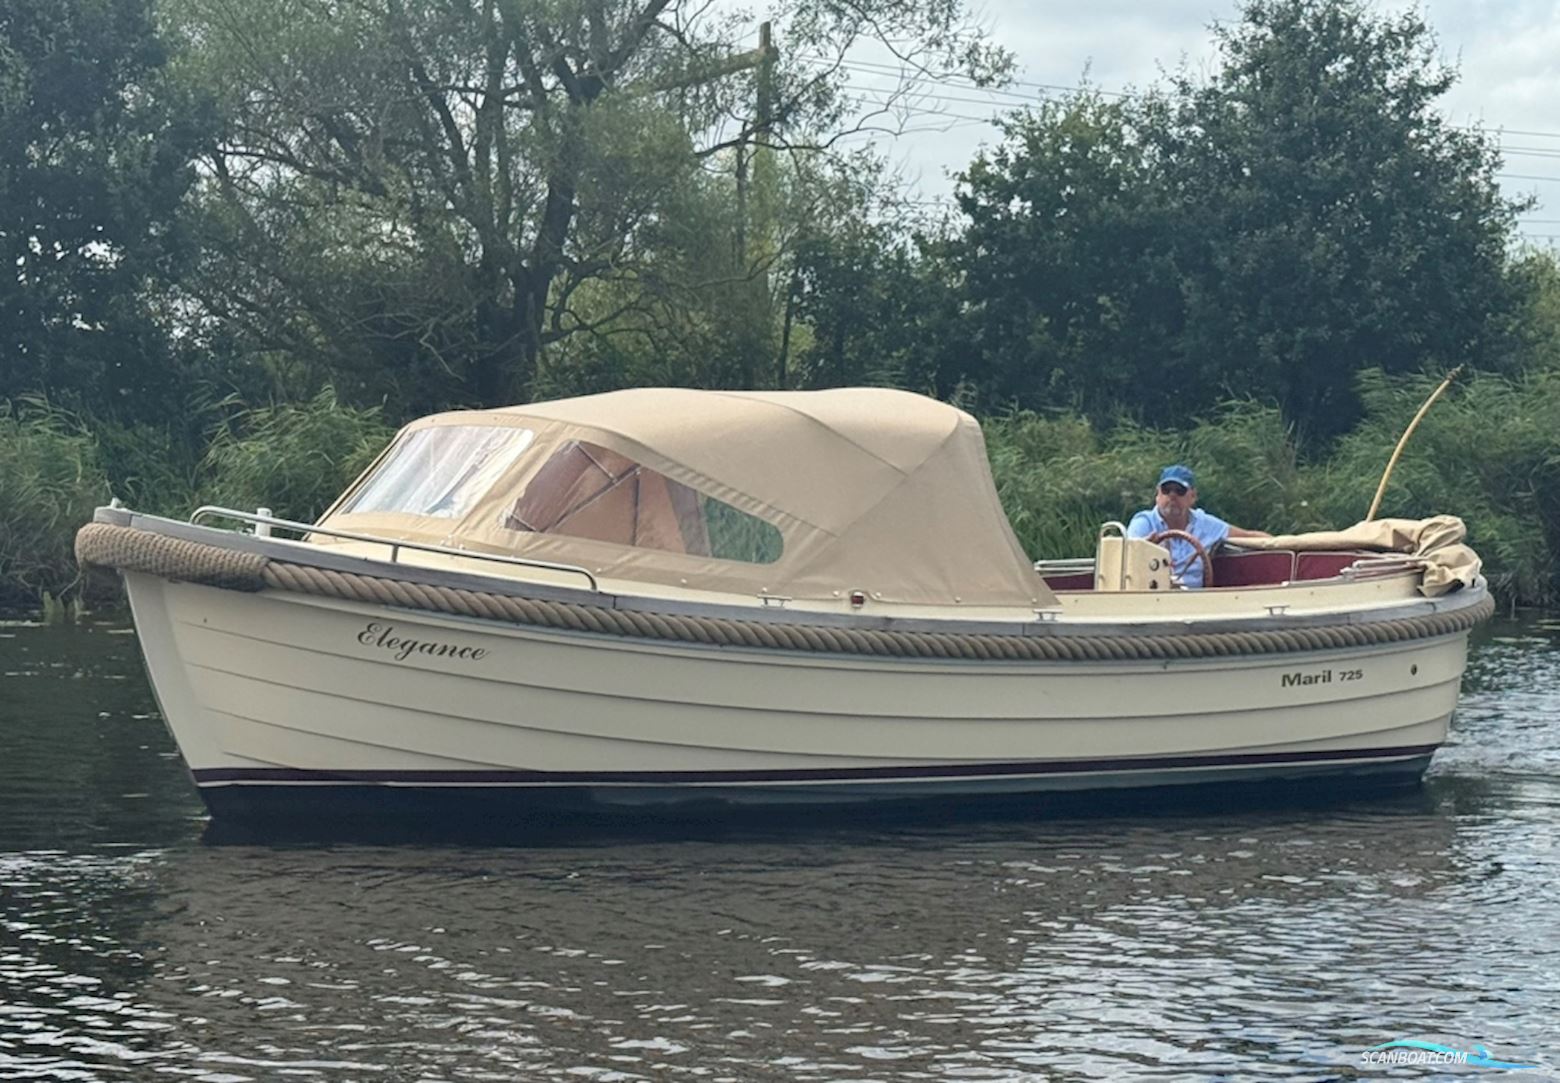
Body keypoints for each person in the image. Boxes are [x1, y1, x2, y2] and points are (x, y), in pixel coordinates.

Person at [1126, 465, 1270, 588]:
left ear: (1193, 496)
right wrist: (1143, 549)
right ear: (1157, 495)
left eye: (1179, 490)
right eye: (1166, 490)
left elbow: (1250, 536)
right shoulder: (1143, 523)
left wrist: (1284, 543)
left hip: (1196, 602)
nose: (1172, 495)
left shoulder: (1205, 524)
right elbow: (1127, 555)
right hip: (1151, 598)